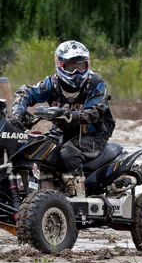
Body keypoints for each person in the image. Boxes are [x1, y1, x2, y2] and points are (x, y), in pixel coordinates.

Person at [9, 40, 115, 197]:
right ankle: (43, 193)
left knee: (68, 152)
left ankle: (78, 196)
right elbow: (26, 92)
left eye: (81, 67)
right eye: (71, 67)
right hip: (62, 131)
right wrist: (18, 111)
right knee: (40, 150)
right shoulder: (52, 83)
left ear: (88, 65)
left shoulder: (95, 83)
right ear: (60, 65)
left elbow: (93, 114)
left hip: (95, 132)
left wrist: (62, 114)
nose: (76, 73)